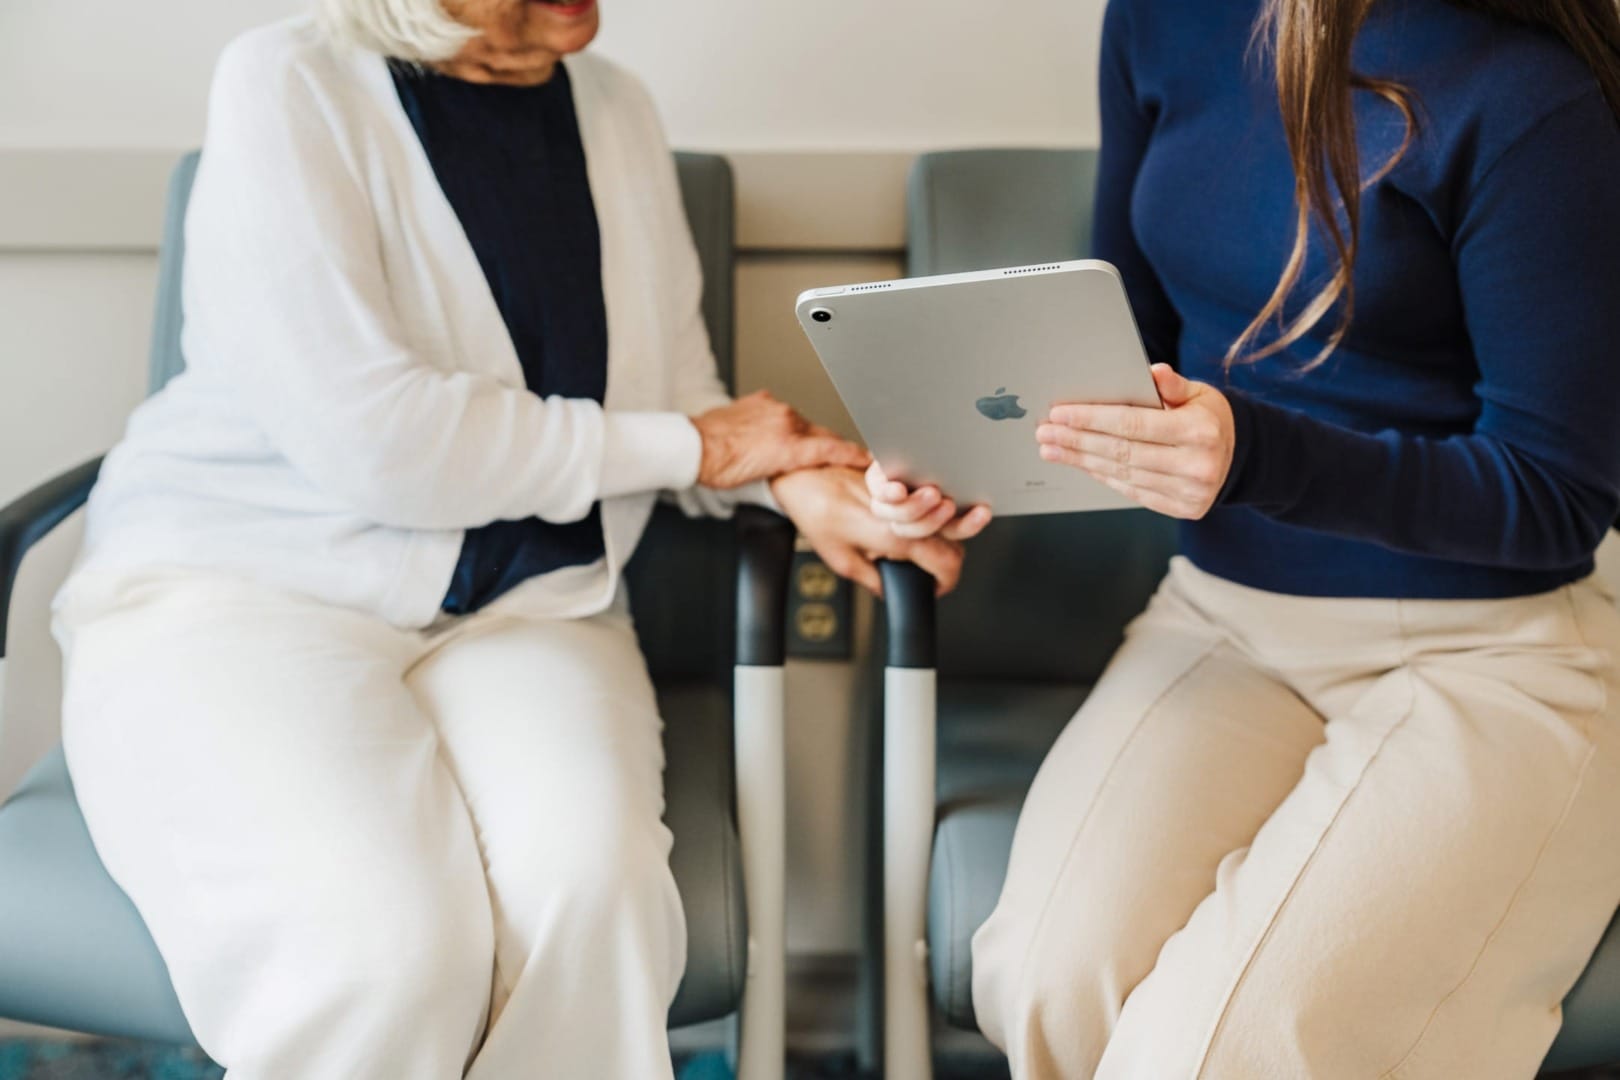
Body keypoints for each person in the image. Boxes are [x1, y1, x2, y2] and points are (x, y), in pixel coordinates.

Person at [50, 1, 964, 1077]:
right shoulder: (288, 82)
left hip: (537, 602)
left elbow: (671, 400)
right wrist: (703, 449)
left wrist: (797, 481)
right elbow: (381, 440)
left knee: (600, 898)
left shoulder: (616, 109)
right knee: (381, 951)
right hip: (252, 584)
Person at [871, 0, 1620, 1075]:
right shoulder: (1157, 21)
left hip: (1496, 643)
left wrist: (1258, 457)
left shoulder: (1530, 94)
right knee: (1044, 975)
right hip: (1225, 613)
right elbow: (1120, 349)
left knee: (1211, 1055)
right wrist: (966, 462)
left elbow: (1555, 497)